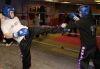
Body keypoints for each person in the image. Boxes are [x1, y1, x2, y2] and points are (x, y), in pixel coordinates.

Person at [1, 5, 62, 69]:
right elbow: (7, 35)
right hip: (22, 40)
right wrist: (17, 34)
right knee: (26, 59)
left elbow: (19, 26)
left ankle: (61, 29)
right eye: (11, 12)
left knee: (42, 28)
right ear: (6, 13)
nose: (13, 13)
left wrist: (24, 29)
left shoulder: (15, 18)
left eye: (13, 12)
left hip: (28, 31)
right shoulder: (4, 25)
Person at [61, 4, 100, 69]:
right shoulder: (92, 19)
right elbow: (82, 22)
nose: (79, 14)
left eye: (80, 12)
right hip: (94, 45)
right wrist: (74, 17)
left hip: (86, 47)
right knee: (97, 61)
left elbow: (73, 25)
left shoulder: (82, 22)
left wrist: (64, 25)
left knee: (82, 62)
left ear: (85, 12)